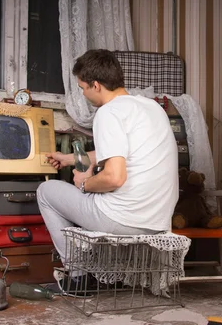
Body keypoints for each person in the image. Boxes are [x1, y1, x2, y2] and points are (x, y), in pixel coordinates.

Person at [37, 49, 179, 294]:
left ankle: (78, 276)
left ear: (96, 85)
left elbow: (114, 177)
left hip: (122, 220)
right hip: (158, 221)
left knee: (46, 191)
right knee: (89, 190)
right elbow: (122, 152)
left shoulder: (108, 112)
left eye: (82, 88)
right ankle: (95, 271)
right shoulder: (151, 108)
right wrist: (70, 159)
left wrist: (84, 182)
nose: (82, 93)